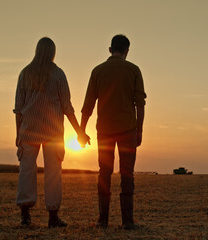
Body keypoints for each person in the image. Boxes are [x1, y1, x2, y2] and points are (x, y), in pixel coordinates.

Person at [14, 37, 89, 227]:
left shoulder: (25, 73)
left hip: (28, 130)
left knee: (26, 172)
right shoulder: (58, 75)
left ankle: (25, 215)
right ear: (53, 52)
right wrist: (79, 132)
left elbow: (18, 108)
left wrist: (18, 134)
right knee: (53, 174)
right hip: (53, 132)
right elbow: (67, 107)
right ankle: (53, 216)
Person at [79, 34, 146, 229]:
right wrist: (139, 130)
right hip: (128, 130)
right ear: (127, 51)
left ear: (110, 49)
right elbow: (140, 104)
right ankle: (128, 222)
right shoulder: (134, 70)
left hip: (105, 131)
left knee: (104, 173)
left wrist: (81, 130)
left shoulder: (98, 71)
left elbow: (88, 105)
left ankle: (103, 220)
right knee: (127, 174)